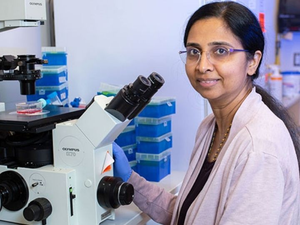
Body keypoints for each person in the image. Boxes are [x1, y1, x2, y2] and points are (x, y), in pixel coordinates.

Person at [113, 1, 300, 224]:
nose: (202, 66)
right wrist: (129, 179)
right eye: (194, 52)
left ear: (253, 61)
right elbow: (187, 214)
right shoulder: (211, 126)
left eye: (220, 51)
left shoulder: (258, 148)